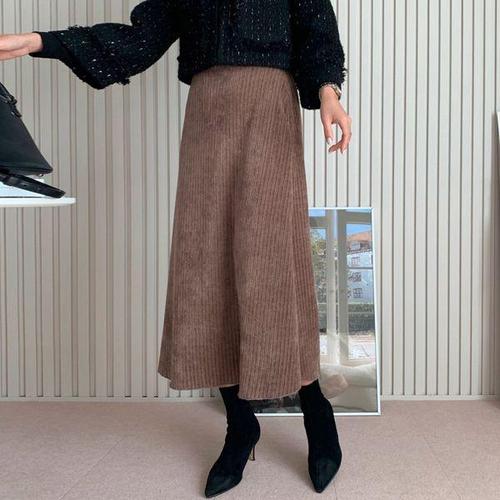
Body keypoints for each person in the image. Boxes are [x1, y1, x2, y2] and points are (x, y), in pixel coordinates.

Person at [0, 0, 352, 496]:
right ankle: (240, 424)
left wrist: (329, 92)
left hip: (270, 107)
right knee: (205, 263)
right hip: (208, 112)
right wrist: (39, 41)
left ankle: (315, 408)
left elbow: (317, 31)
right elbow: (140, 40)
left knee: (274, 260)